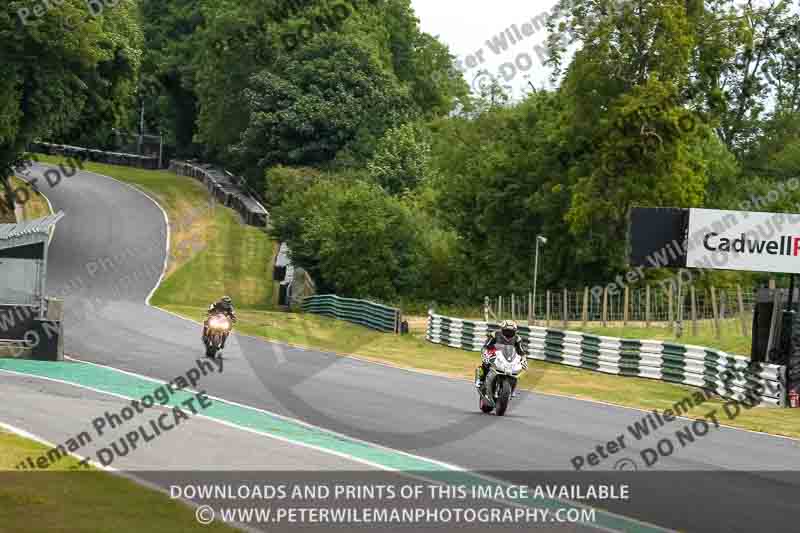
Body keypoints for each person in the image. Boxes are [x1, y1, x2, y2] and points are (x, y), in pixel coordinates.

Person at [475, 320, 528, 395]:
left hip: (508, 356)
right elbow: (486, 346)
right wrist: (485, 353)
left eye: (511, 331)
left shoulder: (517, 339)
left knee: (516, 370)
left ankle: (512, 388)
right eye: (507, 331)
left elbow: (521, 351)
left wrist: (524, 359)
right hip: (494, 353)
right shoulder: (495, 335)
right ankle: (480, 379)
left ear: (515, 331)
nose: (509, 333)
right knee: (486, 363)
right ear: (502, 329)